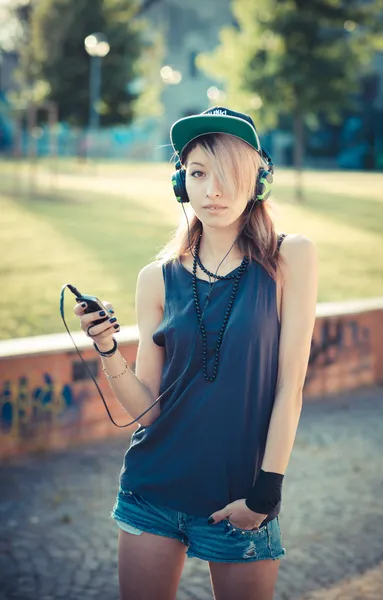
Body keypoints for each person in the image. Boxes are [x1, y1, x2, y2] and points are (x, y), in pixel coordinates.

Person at [74, 106, 318, 600]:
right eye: (199, 173)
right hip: (151, 491)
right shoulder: (156, 278)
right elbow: (147, 409)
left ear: (260, 181)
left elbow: (290, 385)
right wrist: (106, 347)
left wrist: (265, 494)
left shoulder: (291, 257)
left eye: (228, 174)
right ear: (180, 182)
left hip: (241, 497)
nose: (213, 191)